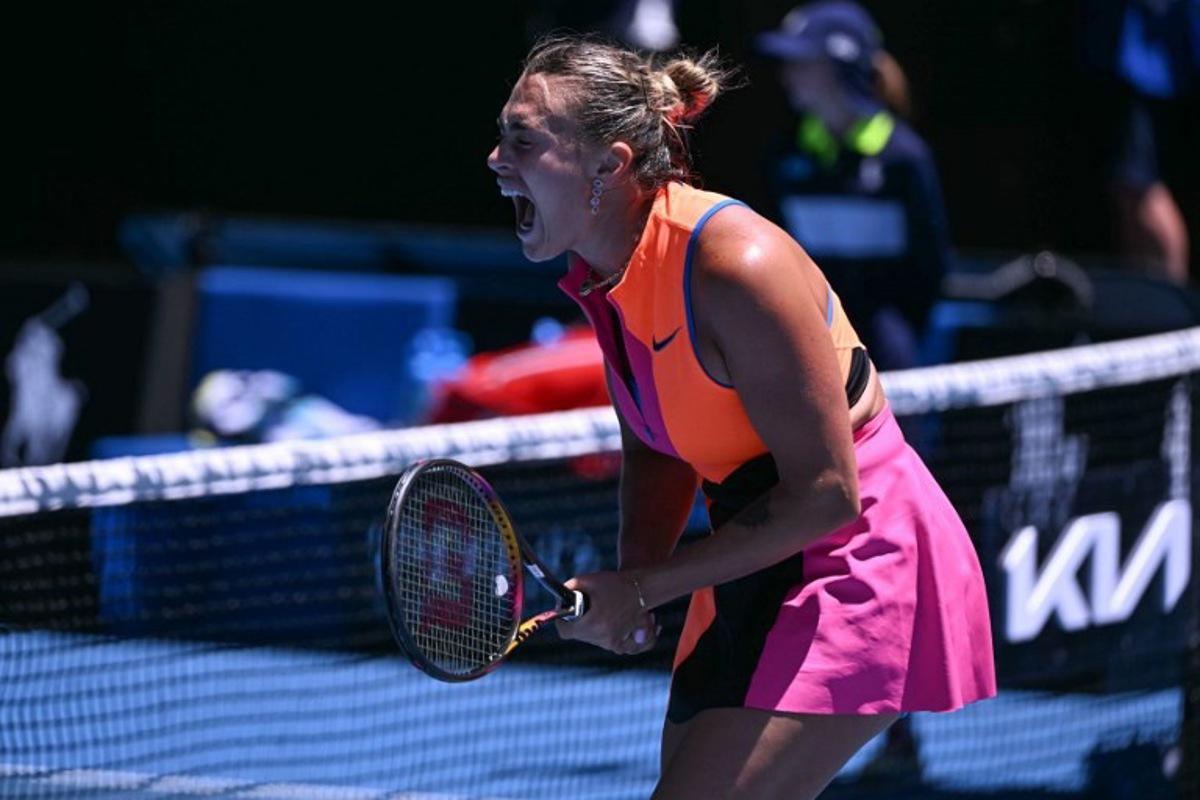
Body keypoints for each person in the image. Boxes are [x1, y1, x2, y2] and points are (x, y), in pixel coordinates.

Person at [487, 35, 995, 798]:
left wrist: (649, 585)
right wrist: (634, 578)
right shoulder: (602, 267)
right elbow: (657, 442)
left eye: (522, 141)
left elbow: (828, 492)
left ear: (610, 166)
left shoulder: (730, 265)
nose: (496, 161)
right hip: (753, 554)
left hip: (854, 555)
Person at [756, 1, 953, 369]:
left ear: (838, 65)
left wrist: (899, 334)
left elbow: (931, 268)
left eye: (802, 62)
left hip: (890, 358)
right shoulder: (784, 158)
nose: (788, 76)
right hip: (810, 350)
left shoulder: (905, 159)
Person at [1083, 0, 1199, 284]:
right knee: (1131, 190)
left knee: (1138, 188)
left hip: (1139, 56)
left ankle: (1172, 318)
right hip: (1135, 53)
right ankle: (1150, 311)